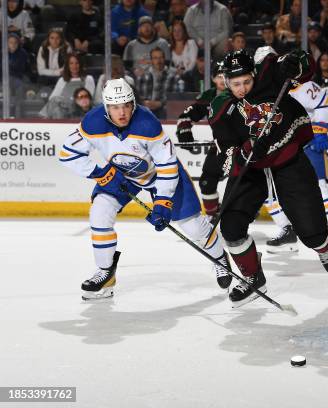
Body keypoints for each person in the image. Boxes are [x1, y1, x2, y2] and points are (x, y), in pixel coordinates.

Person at [58, 78, 231, 300]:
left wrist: (162, 202)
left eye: (126, 106)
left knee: (194, 228)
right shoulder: (93, 122)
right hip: (121, 173)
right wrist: (100, 173)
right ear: (106, 107)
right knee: (100, 213)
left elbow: (167, 165)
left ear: (133, 104)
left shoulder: (147, 123)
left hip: (158, 174)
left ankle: (220, 259)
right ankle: (105, 273)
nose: (121, 113)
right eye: (114, 107)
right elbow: (67, 154)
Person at [208, 49, 328, 306]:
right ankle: (253, 278)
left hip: (286, 156)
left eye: (247, 81)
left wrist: (295, 65)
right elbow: (226, 150)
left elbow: (306, 64)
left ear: (254, 74)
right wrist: (245, 152)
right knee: (231, 227)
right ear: (225, 81)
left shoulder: (269, 72)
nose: (242, 88)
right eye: (236, 84)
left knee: (310, 230)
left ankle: (323, 245)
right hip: (251, 169)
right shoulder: (221, 108)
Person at [253, 47, 328, 255]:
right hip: (279, 147)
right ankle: (287, 231)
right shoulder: (259, 89)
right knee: (267, 188)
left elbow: (324, 100)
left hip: (306, 143)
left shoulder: (298, 84)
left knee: (319, 187)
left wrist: (319, 132)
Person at [175, 60, 226, 216]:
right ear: (213, 79)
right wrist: (184, 132)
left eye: (226, 75)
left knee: (246, 184)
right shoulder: (209, 96)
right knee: (206, 182)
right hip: (219, 146)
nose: (223, 79)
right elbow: (186, 116)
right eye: (219, 76)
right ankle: (213, 215)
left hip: (243, 147)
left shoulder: (239, 93)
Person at [40, 53, 95, 119]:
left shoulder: (88, 79)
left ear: (80, 64)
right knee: (57, 108)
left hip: (79, 109)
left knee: (56, 102)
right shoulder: (62, 80)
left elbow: (88, 98)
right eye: (71, 63)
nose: (74, 66)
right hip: (64, 109)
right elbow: (52, 98)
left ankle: (43, 119)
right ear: (68, 66)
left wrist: (71, 100)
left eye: (77, 63)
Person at [136, 47, 180, 119]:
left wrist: (160, 103)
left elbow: (175, 97)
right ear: (151, 60)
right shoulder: (143, 76)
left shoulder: (173, 76)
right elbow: (137, 96)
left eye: (161, 57)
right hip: (146, 108)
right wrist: (145, 102)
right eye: (155, 58)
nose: (158, 61)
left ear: (164, 59)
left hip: (164, 110)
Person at [123, 15, 171, 79]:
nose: (146, 28)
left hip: (158, 77)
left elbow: (167, 64)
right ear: (139, 29)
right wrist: (134, 71)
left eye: (149, 26)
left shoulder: (162, 43)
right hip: (136, 78)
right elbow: (126, 66)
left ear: (153, 28)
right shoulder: (131, 45)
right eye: (143, 26)